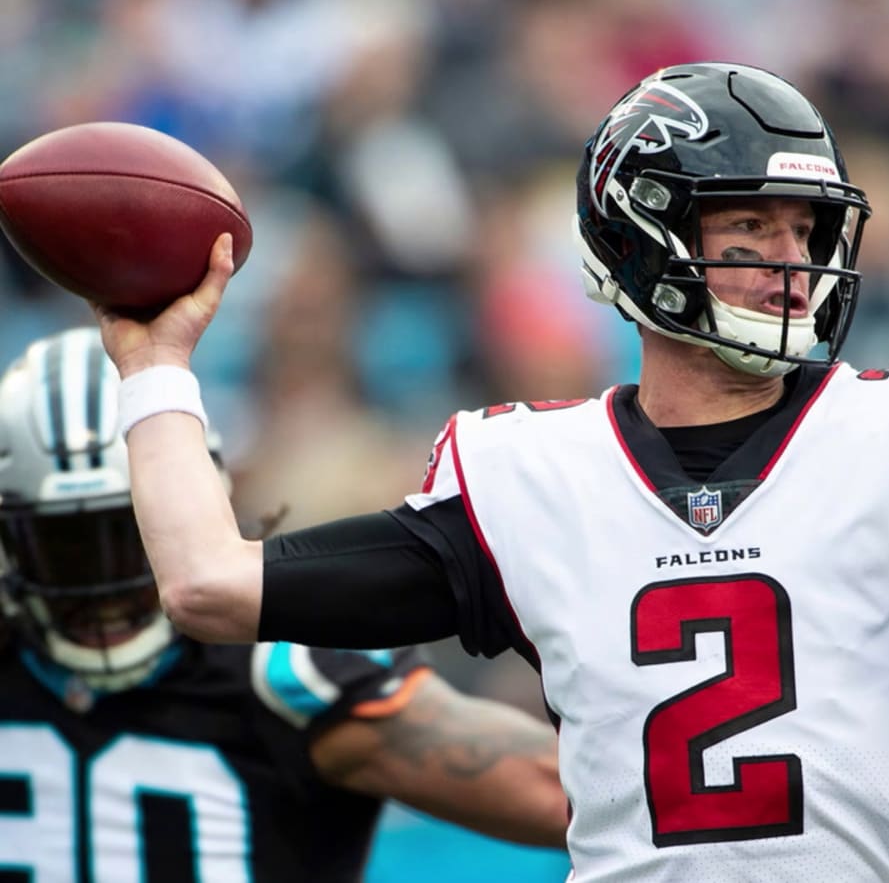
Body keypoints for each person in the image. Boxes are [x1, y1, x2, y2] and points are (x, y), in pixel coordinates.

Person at [89, 62, 889, 881]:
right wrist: (155, 365)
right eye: (749, 227)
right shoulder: (522, 473)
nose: (792, 263)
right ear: (638, 236)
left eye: (807, 231)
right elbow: (206, 587)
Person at [0, 327, 567, 881]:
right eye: (68, 551)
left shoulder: (285, 680)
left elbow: (562, 793)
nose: (103, 590)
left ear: (192, 513)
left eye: (132, 539)